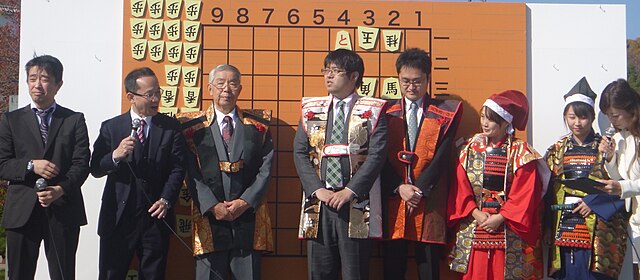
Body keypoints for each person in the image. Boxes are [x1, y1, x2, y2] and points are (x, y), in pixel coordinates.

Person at [294, 48, 388, 280]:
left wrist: (350, 190)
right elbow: (300, 152)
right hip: (319, 202)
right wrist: (317, 189)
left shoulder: (373, 110)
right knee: (320, 271)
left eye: (336, 71)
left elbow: (377, 156)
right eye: (326, 70)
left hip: (356, 201)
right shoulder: (311, 110)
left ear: (354, 76)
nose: (328, 76)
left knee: (354, 272)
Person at [179, 64, 274, 280]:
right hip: (209, 217)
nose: (226, 89)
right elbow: (189, 170)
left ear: (240, 89)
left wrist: (245, 202)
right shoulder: (191, 127)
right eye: (220, 83)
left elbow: (265, 168)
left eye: (232, 84)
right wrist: (212, 205)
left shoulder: (258, 125)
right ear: (209, 88)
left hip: (248, 214)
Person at [0, 55, 90, 280]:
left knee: (63, 274)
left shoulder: (74, 120)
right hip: (22, 212)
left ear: (58, 84)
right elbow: (2, 164)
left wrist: (60, 189)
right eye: (32, 79)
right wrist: (31, 165)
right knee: (19, 274)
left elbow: (81, 164)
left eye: (44, 79)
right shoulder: (11, 120)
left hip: (63, 210)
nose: (37, 85)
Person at [90, 67, 186, 279]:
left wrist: (166, 199)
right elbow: (95, 167)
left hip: (155, 216)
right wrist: (115, 155)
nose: (156, 99)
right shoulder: (111, 127)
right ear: (131, 97)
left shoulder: (170, 127)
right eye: (150, 94)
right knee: (110, 273)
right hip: (118, 217)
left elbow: (178, 168)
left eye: (158, 93)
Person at [380, 48, 462, 280]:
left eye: (417, 81)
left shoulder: (445, 112)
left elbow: (443, 156)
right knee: (393, 266)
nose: (411, 87)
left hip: (430, 198)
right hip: (394, 197)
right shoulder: (384, 111)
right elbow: (378, 156)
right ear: (398, 79)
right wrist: (399, 186)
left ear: (427, 79)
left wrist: (419, 190)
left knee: (428, 265)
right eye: (405, 81)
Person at [448, 90, 547, 280]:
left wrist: (500, 218)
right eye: (483, 117)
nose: (484, 123)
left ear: (505, 122)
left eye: (491, 119)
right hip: (477, 224)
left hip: (508, 227)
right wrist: (475, 212)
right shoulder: (469, 149)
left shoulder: (521, 152)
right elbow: (459, 187)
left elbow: (525, 193)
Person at [545, 77, 628, 280]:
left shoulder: (605, 147)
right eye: (572, 117)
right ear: (565, 116)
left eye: (582, 117)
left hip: (597, 230)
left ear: (591, 117)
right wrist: (547, 225)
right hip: (564, 227)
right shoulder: (557, 150)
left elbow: (622, 186)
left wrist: (593, 203)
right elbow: (547, 191)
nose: (577, 123)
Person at [596, 79, 640, 279]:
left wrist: (622, 187)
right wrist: (610, 158)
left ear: (631, 109)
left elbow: (625, 184)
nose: (612, 121)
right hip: (635, 220)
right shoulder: (622, 138)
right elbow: (620, 178)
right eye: (608, 116)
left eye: (615, 115)